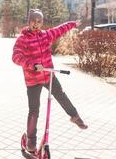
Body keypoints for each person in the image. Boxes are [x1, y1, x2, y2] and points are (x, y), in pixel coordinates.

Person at [12, 9, 88, 153]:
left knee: (61, 95)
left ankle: (75, 116)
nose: (36, 24)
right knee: (34, 110)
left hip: (48, 76)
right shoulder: (23, 39)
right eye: (34, 21)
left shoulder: (45, 36)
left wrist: (73, 24)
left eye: (39, 21)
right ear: (29, 22)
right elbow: (16, 57)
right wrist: (32, 65)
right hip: (33, 79)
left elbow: (59, 29)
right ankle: (31, 141)